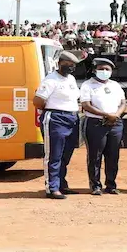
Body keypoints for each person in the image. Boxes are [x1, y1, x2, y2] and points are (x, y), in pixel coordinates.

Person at [34, 51, 81, 199]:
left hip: (72, 118)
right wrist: (52, 110)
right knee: (54, 154)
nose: (71, 68)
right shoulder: (50, 80)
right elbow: (37, 101)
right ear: (60, 63)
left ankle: (61, 183)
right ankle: (52, 187)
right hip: (55, 118)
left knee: (66, 154)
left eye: (73, 65)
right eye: (68, 65)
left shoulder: (71, 79)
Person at [80, 58, 126, 195]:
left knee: (113, 155)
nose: (104, 71)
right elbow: (86, 105)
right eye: (101, 69)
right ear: (95, 70)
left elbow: (123, 103)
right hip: (96, 123)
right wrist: (106, 115)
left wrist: (116, 115)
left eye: (107, 69)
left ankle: (111, 184)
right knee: (95, 155)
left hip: (115, 123)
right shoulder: (87, 85)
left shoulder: (115, 85)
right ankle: (95, 185)